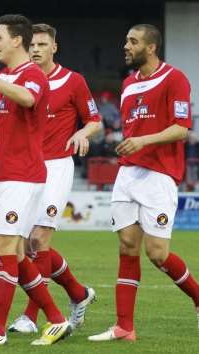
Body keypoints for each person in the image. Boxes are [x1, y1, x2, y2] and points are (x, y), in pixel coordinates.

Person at [0, 14, 71, 347]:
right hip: (9, 175)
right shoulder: (7, 76)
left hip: (24, 175)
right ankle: (56, 319)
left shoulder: (31, 75)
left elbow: (28, 98)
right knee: (18, 254)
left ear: (16, 40)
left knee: (4, 248)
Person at [88, 24, 199, 342]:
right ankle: (124, 327)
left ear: (151, 48)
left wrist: (143, 141)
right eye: (126, 40)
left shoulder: (174, 78)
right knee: (127, 247)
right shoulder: (127, 83)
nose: (126, 46)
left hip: (159, 175)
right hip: (128, 173)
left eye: (133, 42)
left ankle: (198, 297)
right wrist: (128, 145)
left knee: (158, 253)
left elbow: (181, 128)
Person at [8, 23, 102, 334]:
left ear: (54, 48)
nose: (36, 49)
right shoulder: (21, 80)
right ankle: (78, 293)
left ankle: (31, 317)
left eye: (42, 44)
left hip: (57, 167)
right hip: (25, 166)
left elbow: (95, 120)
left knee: (38, 240)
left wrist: (81, 132)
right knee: (22, 245)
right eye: (32, 44)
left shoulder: (73, 81)